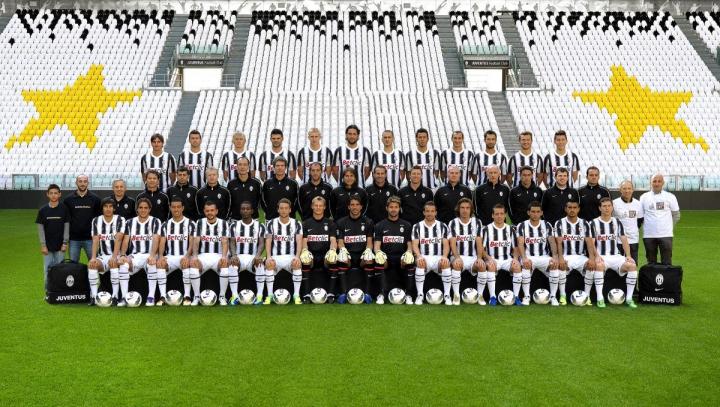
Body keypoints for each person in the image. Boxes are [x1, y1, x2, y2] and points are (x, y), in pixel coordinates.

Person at [591, 198, 638, 308]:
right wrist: (596, 256)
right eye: (604, 206)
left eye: (609, 206)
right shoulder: (594, 223)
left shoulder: (617, 222)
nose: (607, 208)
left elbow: (624, 239)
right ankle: (600, 299)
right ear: (599, 208)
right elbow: (591, 243)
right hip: (602, 256)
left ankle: (629, 298)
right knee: (599, 266)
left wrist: (628, 256)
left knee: (632, 266)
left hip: (616, 256)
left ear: (612, 208)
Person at [554, 200, 598, 307]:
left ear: (578, 209)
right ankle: (563, 295)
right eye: (569, 207)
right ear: (566, 209)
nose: (572, 210)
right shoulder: (559, 223)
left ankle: (587, 296)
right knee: (560, 267)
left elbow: (589, 242)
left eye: (574, 207)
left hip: (580, 257)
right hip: (566, 256)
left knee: (591, 267)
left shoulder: (585, 223)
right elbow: (558, 243)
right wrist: (560, 258)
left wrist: (592, 258)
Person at [118, 198, 162, 306]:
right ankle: (124, 297)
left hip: (150, 255)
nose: (143, 210)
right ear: (137, 209)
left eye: (146, 208)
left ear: (149, 209)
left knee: (152, 264)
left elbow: (156, 239)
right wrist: (123, 255)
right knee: (123, 264)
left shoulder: (155, 221)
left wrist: (152, 256)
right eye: (141, 208)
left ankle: (151, 297)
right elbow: (126, 240)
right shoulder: (130, 222)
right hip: (135, 256)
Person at [515, 201, 560, 306]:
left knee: (554, 267)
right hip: (529, 256)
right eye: (533, 211)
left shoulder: (547, 225)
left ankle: (553, 296)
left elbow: (552, 242)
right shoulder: (522, 225)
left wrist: (555, 256)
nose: (535, 214)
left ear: (541, 213)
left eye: (538, 212)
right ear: (528, 212)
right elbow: (520, 243)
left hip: (544, 257)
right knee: (525, 267)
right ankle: (526, 296)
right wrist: (524, 258)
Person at [373, 196, 414, 305]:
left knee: (410, 261)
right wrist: (378, 253)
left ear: (399, 208)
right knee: (379, 261)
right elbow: (376, 246)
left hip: (401, 257)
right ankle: (381, 294)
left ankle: (409, 294)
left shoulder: (407, 225)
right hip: (387, 258)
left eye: (396, 207)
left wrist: (408, 254)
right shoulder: (379, 225)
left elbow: (409, 245)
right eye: (391, 207)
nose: (393, 209)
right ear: (387, 208)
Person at [156, 197, 196, 306]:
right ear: (170, 208)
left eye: (178, 207)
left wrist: (187, 256)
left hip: (185, 255)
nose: (176, 209)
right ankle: (162, 296)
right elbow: (162, 242)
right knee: (160, 265)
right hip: (171, 256)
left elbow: (192, 243)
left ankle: (187, 296)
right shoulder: (165, 224)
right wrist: (161, 256)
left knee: (186, 264)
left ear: (182, 208)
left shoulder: (190, 223)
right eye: (173, 207)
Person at [335, 196, 376, 304]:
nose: (355, 207)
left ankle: (367, 294)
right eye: (352, 205)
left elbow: (369, 242)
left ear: (361, 207)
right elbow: (340, 241)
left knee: (369, 259)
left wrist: (368, 251)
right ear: (348, 207)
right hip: (349, 255)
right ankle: (343, 293)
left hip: (361, 255)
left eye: (357, 205)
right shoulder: (341, 222)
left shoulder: (368, 222)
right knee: (342, 258)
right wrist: (343, 250)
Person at [263, 199, 304, 304]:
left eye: (286, 208)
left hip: (290, 256)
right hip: (276, 257)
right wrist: (268, 257)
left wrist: (297, 257)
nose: (284, 210)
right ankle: (269, 295)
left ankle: (296, 295)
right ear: (278, 210)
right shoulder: (271, 223)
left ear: (290, 210)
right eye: (281, 208)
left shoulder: (297, 223)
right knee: (269, 264)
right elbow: (268, 241)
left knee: (297, 264)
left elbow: (299, 241)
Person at [190, 201, 230, 306]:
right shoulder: (199, 222)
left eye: (212, 210)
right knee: (193, 266)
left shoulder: (223, 223)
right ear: (204, 211)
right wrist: (195, 256)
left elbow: (225, 241)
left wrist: (224, 257)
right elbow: (196, 241)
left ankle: (222, 296)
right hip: (204, 255)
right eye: (207, 211)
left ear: (216, 211)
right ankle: (196, 297)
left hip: (218, 255)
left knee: (225, 268)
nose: (210, 213)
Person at [412, 202, 452, 305]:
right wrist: (419, 256)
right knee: (420, 262)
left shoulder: (442, 226)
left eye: (432, 211)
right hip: (424, 256)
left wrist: (444, 256)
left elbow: (446, 244)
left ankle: (447, 295)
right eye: (427, 211)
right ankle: (420, 295)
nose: (430, 213)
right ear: (424, 212)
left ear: (436, 212)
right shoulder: (417, 226)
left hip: (438, 257)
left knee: (446, 263)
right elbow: (415, 245)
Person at [87, 198, 125, 306]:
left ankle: (115, 296)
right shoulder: (96, 220)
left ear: (114, 208)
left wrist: (114, 257)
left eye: (110, 206)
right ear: (102, 208)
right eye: (105, 206)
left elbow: (118, 239)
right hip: (103, 256)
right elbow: (95, 240)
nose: (108, 209)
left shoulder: (120, 219)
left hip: (117, 255)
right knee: (92, 265)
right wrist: (93, 257)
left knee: (113, 263)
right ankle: (94, 297)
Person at [448, 198, 486, 305]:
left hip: (472, 257)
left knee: (482, 266)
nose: (465, 210)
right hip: (458, 256)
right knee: (456, 264)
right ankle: (456, 295)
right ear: (458, 209)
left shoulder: (477, 222)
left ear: (471, 210)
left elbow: (479, 242)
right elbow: (452, 243)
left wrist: (479, 258)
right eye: (462, 208)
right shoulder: (453, 223)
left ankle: (480, 295)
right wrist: (457, 257)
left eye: (467, 208)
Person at [301, 197, 339, 303]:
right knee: (305, 259)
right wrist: (305, 251)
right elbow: (304, 241)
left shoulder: (330, 223)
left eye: (320, 206)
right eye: (316, 205)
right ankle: (306, 294)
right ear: (312, 207)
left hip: (325, 256)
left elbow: (333, 240)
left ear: (324, 207)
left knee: (333, 259)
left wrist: (332, 250)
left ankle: (331, 293)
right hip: (312, 256)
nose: (318, 208)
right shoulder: (306, 223)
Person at [482, 204, 522, 306]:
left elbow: (515, 248)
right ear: (492, 215)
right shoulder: (486, 229)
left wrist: (515, 259)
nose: (499, 216)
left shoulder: (511, 229)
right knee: (491, 266)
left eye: (501, 214)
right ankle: (492, 297)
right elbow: (482, 249)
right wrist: (488, 258)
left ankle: (516, 297)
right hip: (492, 259)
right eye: (497, 214)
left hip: (507, 259)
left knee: (517, 267)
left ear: (505, 215)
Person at [228, 202, 266, 305]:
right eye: (243, 209)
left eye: (247, 209)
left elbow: (262, 243)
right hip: (239, 257)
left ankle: (259, 296)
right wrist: (234, 255)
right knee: (232, 264)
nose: (245, 211)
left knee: (260, 263)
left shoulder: (260, 226)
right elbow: (232, 242)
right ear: (240, 211)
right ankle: (234, 296)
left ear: (252, 211)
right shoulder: (234, 225)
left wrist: (258, 255)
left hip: (252, 257)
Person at [640, 174, 680, 265]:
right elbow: (640, 216)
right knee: (651, 263)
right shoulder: (644, 197)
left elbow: (676, 215)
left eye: (659, 181)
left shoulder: (670, 196)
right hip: (649, 235)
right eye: (654, 181)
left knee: (667, 262)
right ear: (650, 183)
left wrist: (669, 227)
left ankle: (666, 275)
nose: (657, 183)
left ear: (663, 183)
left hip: (666, 235)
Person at [36, 184, 69, 291]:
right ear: (47, 194)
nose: (53, 195)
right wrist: (43, 245)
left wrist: (65, 243)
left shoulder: (64, 209)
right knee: (47, 270)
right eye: (51, 193)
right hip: (47, 247)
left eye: (55, 193)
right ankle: (48, 292)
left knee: (61, 270)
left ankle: (59, 292)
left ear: (59, 194)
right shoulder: (43, 210)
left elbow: (66, 227)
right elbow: (40, 229)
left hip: (60, 247)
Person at [64, 174, 101, 262]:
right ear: (76, 183)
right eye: (80, 181)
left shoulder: (96, 199)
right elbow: (66, 219)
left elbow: (99, 219)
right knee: (73, 265)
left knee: (94, 264)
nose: (82, 184)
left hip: (90, 239)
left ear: (88, 183)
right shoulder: (68, 199)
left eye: (85, 181)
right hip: (74, 239)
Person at [613, 180, 643, 264]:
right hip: (618, 240)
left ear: (633, 190)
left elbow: (640, 220)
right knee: (618, 265)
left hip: (633, 239)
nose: (627, 191)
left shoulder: (638, 204)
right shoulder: (614, 203)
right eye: (624, 188)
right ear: (620, 190)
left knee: (632, 265)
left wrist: (632, 230)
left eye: (629, 188)